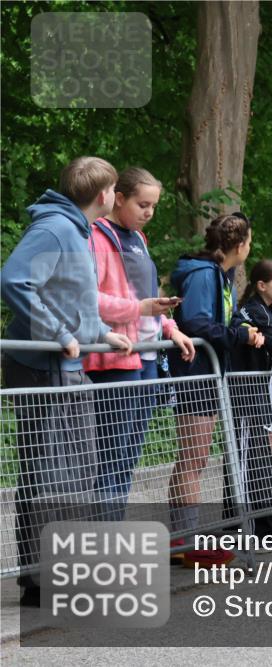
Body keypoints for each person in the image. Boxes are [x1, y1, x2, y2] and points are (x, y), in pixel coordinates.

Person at [1, 157, 133, 607]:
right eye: (116, 190)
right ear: (104, 195)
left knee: (75, 469)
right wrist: (59, 334)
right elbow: (14, 280)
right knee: (48, 472)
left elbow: (68, 295)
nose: (116, 196)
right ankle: (41, 581)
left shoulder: (77, 229)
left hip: (66, 368)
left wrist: (100, 333)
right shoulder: (55, 228)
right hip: (42, 367)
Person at [84, 167, 196, 520]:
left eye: (154, 206)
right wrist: (140, 309)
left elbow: (148, 296)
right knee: (113, 456)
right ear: (119, 198)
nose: (149, 212)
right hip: (116, 358)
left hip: (148, 358)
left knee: (129, 454)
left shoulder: (139, 239)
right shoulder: (95, 237)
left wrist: (169, 326)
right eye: (142, 204)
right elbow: (90, 300)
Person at [167, 212, 263, 567]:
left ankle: (181, 538)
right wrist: (239, 335)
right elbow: (196, 322)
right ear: (239, 245)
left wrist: (245, 327)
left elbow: (225, 317)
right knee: (193, 458)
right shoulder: (205, 274)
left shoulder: (220, 275)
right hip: (196, 371)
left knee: (195, 457)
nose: (250, 249)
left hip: (209, 372)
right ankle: (186, 542)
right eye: (249, 243)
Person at [229, 260, 272, 541]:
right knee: (246, 461)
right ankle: (244, 530)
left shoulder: (265, 311)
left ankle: (261, 530)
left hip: (260, 393)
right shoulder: (253, 313)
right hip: (246, 394)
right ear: (261, 285)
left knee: (261, 458)